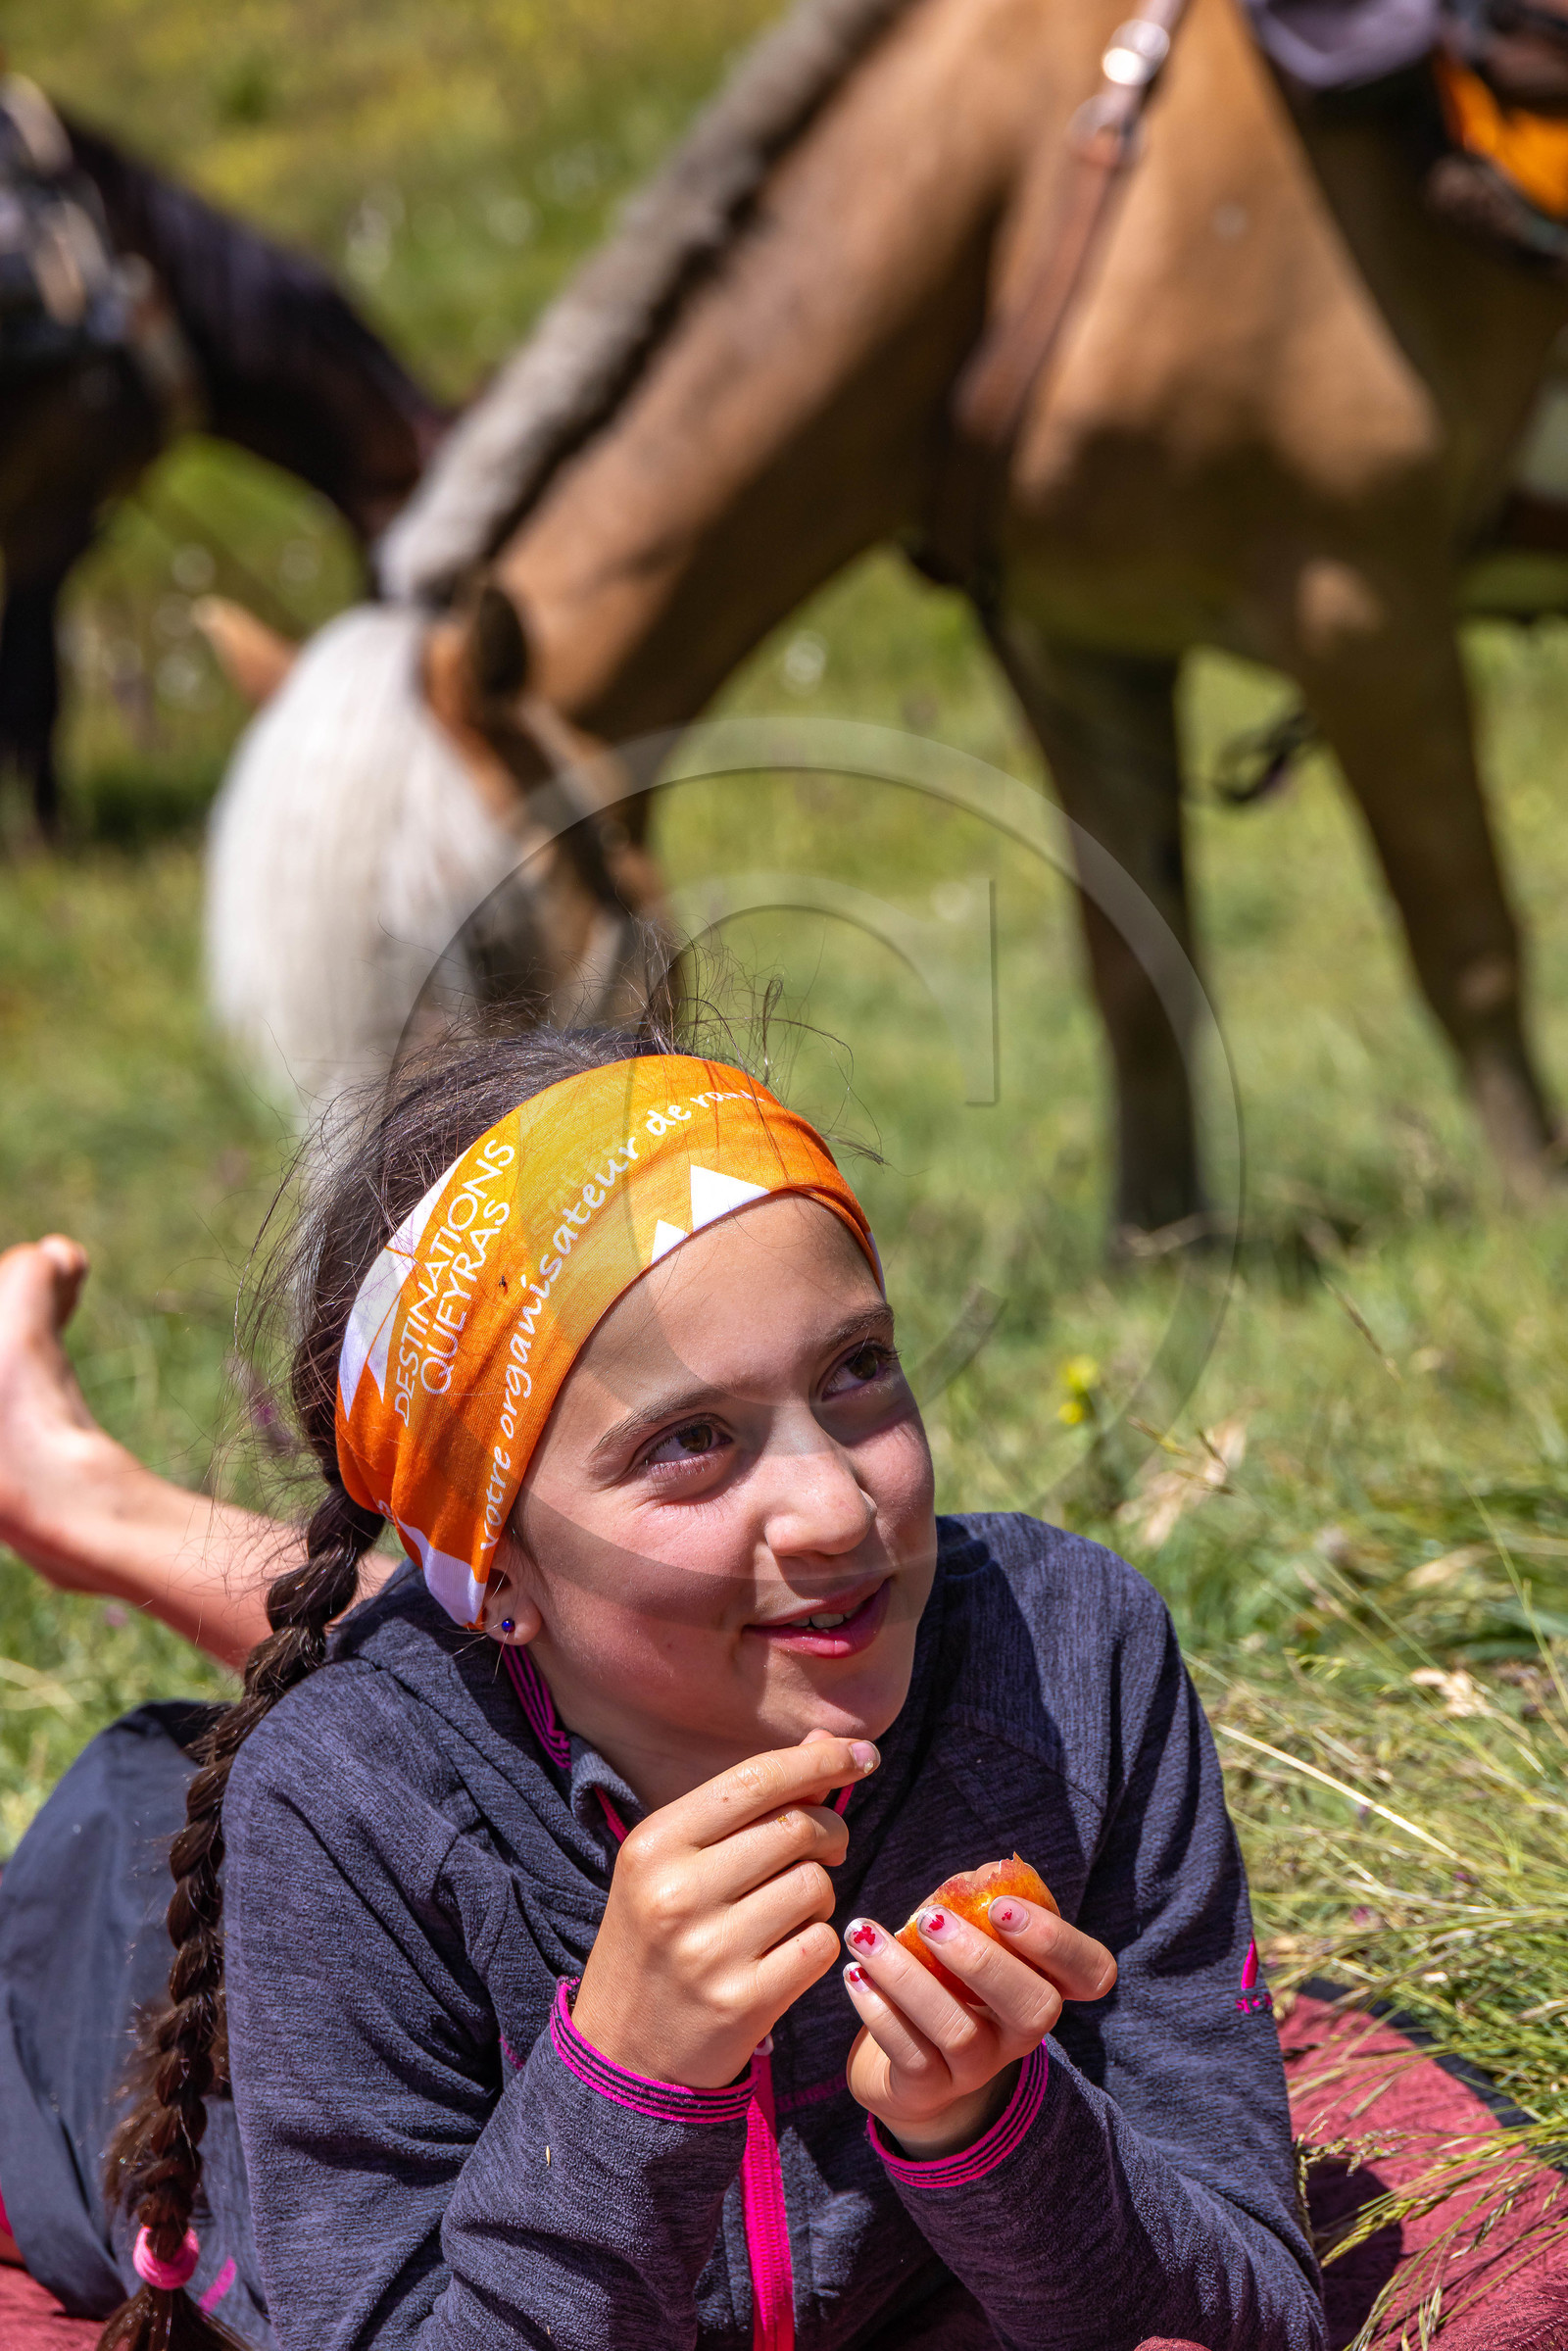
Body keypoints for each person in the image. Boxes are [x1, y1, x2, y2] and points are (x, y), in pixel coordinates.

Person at [0, 1027, 1326, 2351]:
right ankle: (78, 1496)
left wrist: (986, 2126)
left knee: (618, 1628)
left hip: (548, 1656)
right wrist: (627, 2082)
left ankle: (86, 1500)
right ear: (489, 1569)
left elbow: (1258, 2305)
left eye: (855, 1369)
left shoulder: (1071, 1664)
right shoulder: (342, 1815)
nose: (831, 1505)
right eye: (689, 1441)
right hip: (100, 1940)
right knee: (374, 1718)